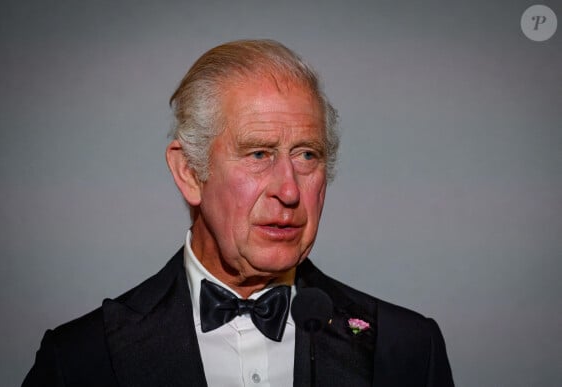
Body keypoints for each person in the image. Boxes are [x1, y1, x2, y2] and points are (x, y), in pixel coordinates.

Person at [22, 39, 454, 387]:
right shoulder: (79, 359)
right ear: (190, 172)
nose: (288, 189)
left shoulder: (407, 349)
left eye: (307, 155)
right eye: (259, 153)